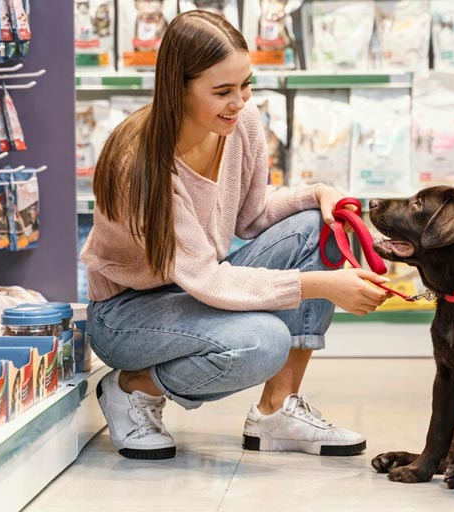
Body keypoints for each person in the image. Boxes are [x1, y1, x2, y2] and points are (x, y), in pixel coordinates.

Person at [80, 10, 390, 461]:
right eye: (222, 91)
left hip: (195, 286)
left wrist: (319, 194)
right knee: (263, 341)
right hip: (126, 316)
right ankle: (133, 387)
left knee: (320, 226)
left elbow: (252, 216)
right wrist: (323, 286)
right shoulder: (140, 166)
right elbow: (208, 279)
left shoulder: (239, 124)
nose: (240, 101)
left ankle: (276, 411)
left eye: (246, 85)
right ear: (177, 88)